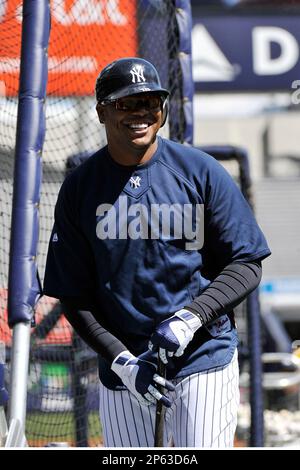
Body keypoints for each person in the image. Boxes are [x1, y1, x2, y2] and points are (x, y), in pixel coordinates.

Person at [43, 57, 271, 448]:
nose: (140, 113)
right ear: (101, 111)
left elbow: (246, 262)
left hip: (203, 358)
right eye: (125, 103)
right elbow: (73, 295)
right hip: (125, 370)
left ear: (163, 109)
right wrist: (122, 362)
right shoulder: (81, 188)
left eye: (151, 102)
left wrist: (191, 317)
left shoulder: (200, 171)